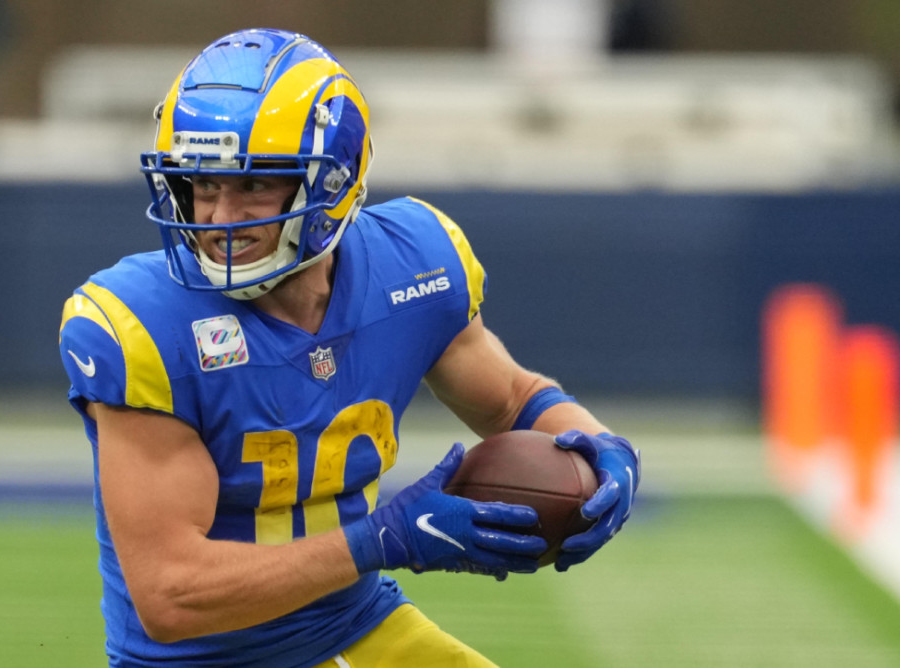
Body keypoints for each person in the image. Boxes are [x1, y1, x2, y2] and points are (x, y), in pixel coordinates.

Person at [58, 28, 641, 667]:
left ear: (331, 185)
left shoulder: (412, 267)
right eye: (202, 184)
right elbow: (172, 598)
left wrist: (606, 451)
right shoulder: (143, 323)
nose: (221, 219)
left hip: (353, 625)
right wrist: (382, 540)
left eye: (254, 185)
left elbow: (513, 400)